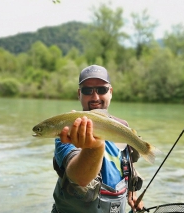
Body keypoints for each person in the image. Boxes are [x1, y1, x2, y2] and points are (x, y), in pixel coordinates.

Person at [51, 65, 144, 213]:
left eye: (102, 90)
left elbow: (127, 164)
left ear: (111, 92)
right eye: (87, 91)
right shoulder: (68, 132)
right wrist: (94, 147)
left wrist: (132, 193)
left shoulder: (122, 127)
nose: (95, 97)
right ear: (79, 94)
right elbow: (80, 178)